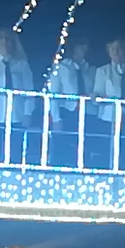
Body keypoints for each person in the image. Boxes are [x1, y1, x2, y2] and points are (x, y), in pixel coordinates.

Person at [0, 28, 39, 161]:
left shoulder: (22, 64)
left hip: (17, 117)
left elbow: (29, 90)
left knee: (15, 155)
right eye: (1, 38)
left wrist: (27, 113)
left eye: (8, 39)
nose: (4, 42)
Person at [89, 38, 125, 169]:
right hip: (109, 120)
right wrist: (99, 98)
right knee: (107, 155)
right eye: (113, 49)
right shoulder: (103, 71)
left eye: (119, 48)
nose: (116, 52)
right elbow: (97, 94)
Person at [45, 37, 93, 167]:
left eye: (86, 46)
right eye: (81, 45)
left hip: (85, 114)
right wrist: (56, 118)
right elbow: (53, 95)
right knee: (62, 149)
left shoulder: (88, 69)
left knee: (82, 150)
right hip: (66, 112)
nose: (84, 48)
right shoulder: (61, 67)